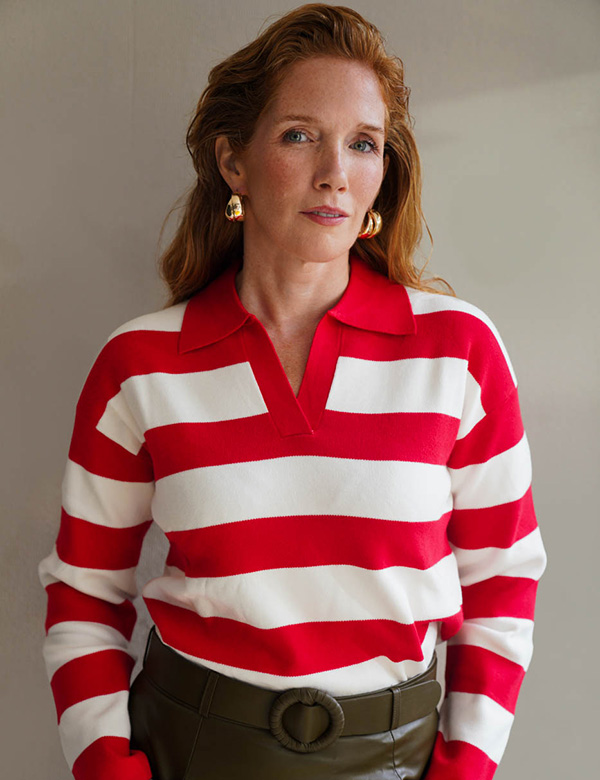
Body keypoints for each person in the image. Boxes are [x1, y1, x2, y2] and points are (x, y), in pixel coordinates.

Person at [38, 4, 547, 780]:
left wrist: (464, 771)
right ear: (233, 163)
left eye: (363, 143)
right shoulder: (139, 365)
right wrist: (110, 770)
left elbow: (502, 584)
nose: (335, 171)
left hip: (397, 758)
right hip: (188, 752)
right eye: (300, 135)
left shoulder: (459, 353)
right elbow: (84, 595)